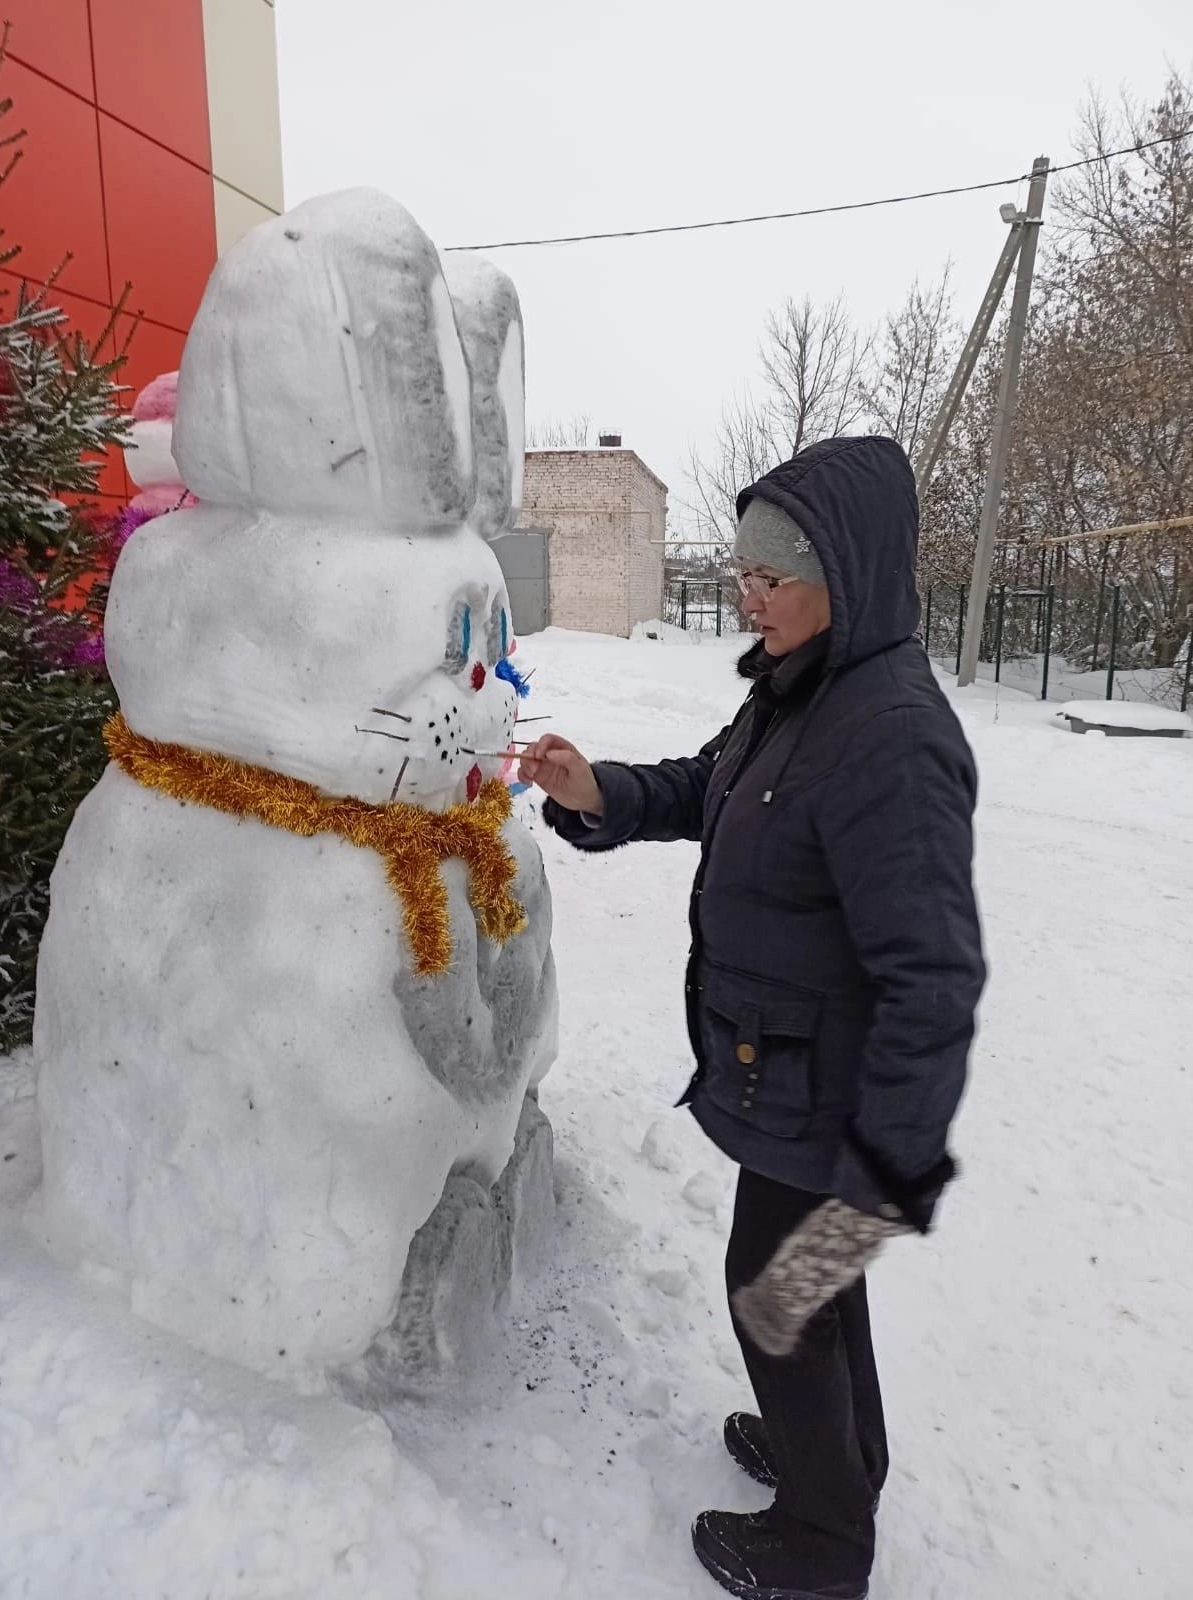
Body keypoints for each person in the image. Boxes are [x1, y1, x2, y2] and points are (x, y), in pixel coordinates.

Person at [519, 435, 986, 1600]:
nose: (750, 593)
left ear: (850, 576)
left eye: (776, 574)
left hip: (842, 1108)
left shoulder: (889, 735)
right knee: (811, 1291)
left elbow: (933, 976)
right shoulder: (799, 692)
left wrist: (888, 1162)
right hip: (788, 1080)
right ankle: (842, 1456)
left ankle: (825, 1544)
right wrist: (599, 793)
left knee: (776, 1294)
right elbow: (698, 785)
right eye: (744, 570)